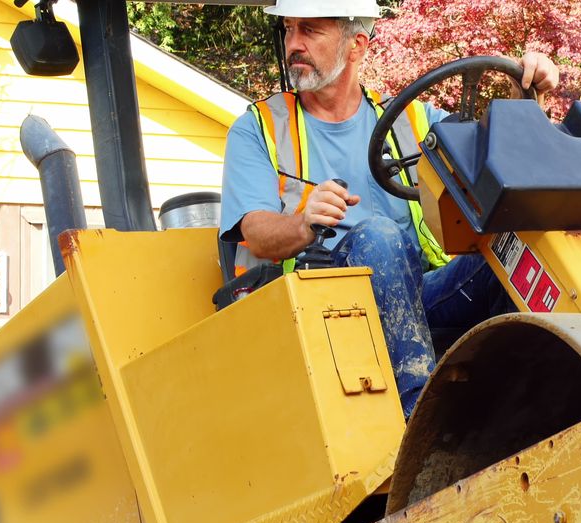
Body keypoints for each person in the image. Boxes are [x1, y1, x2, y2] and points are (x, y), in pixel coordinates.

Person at [219, 0, 560, 417]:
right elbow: (255, 231)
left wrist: (525, 99)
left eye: (309, 30)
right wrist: (302, 223)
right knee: (380, 235)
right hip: (319, 315)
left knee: (515, 239)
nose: (293, 43)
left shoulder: (410, 121)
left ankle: (530, 412)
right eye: (289, 30)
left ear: (357, 44)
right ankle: (422, 418)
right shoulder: (258, 128)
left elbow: (498, 168)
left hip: (414, 299)